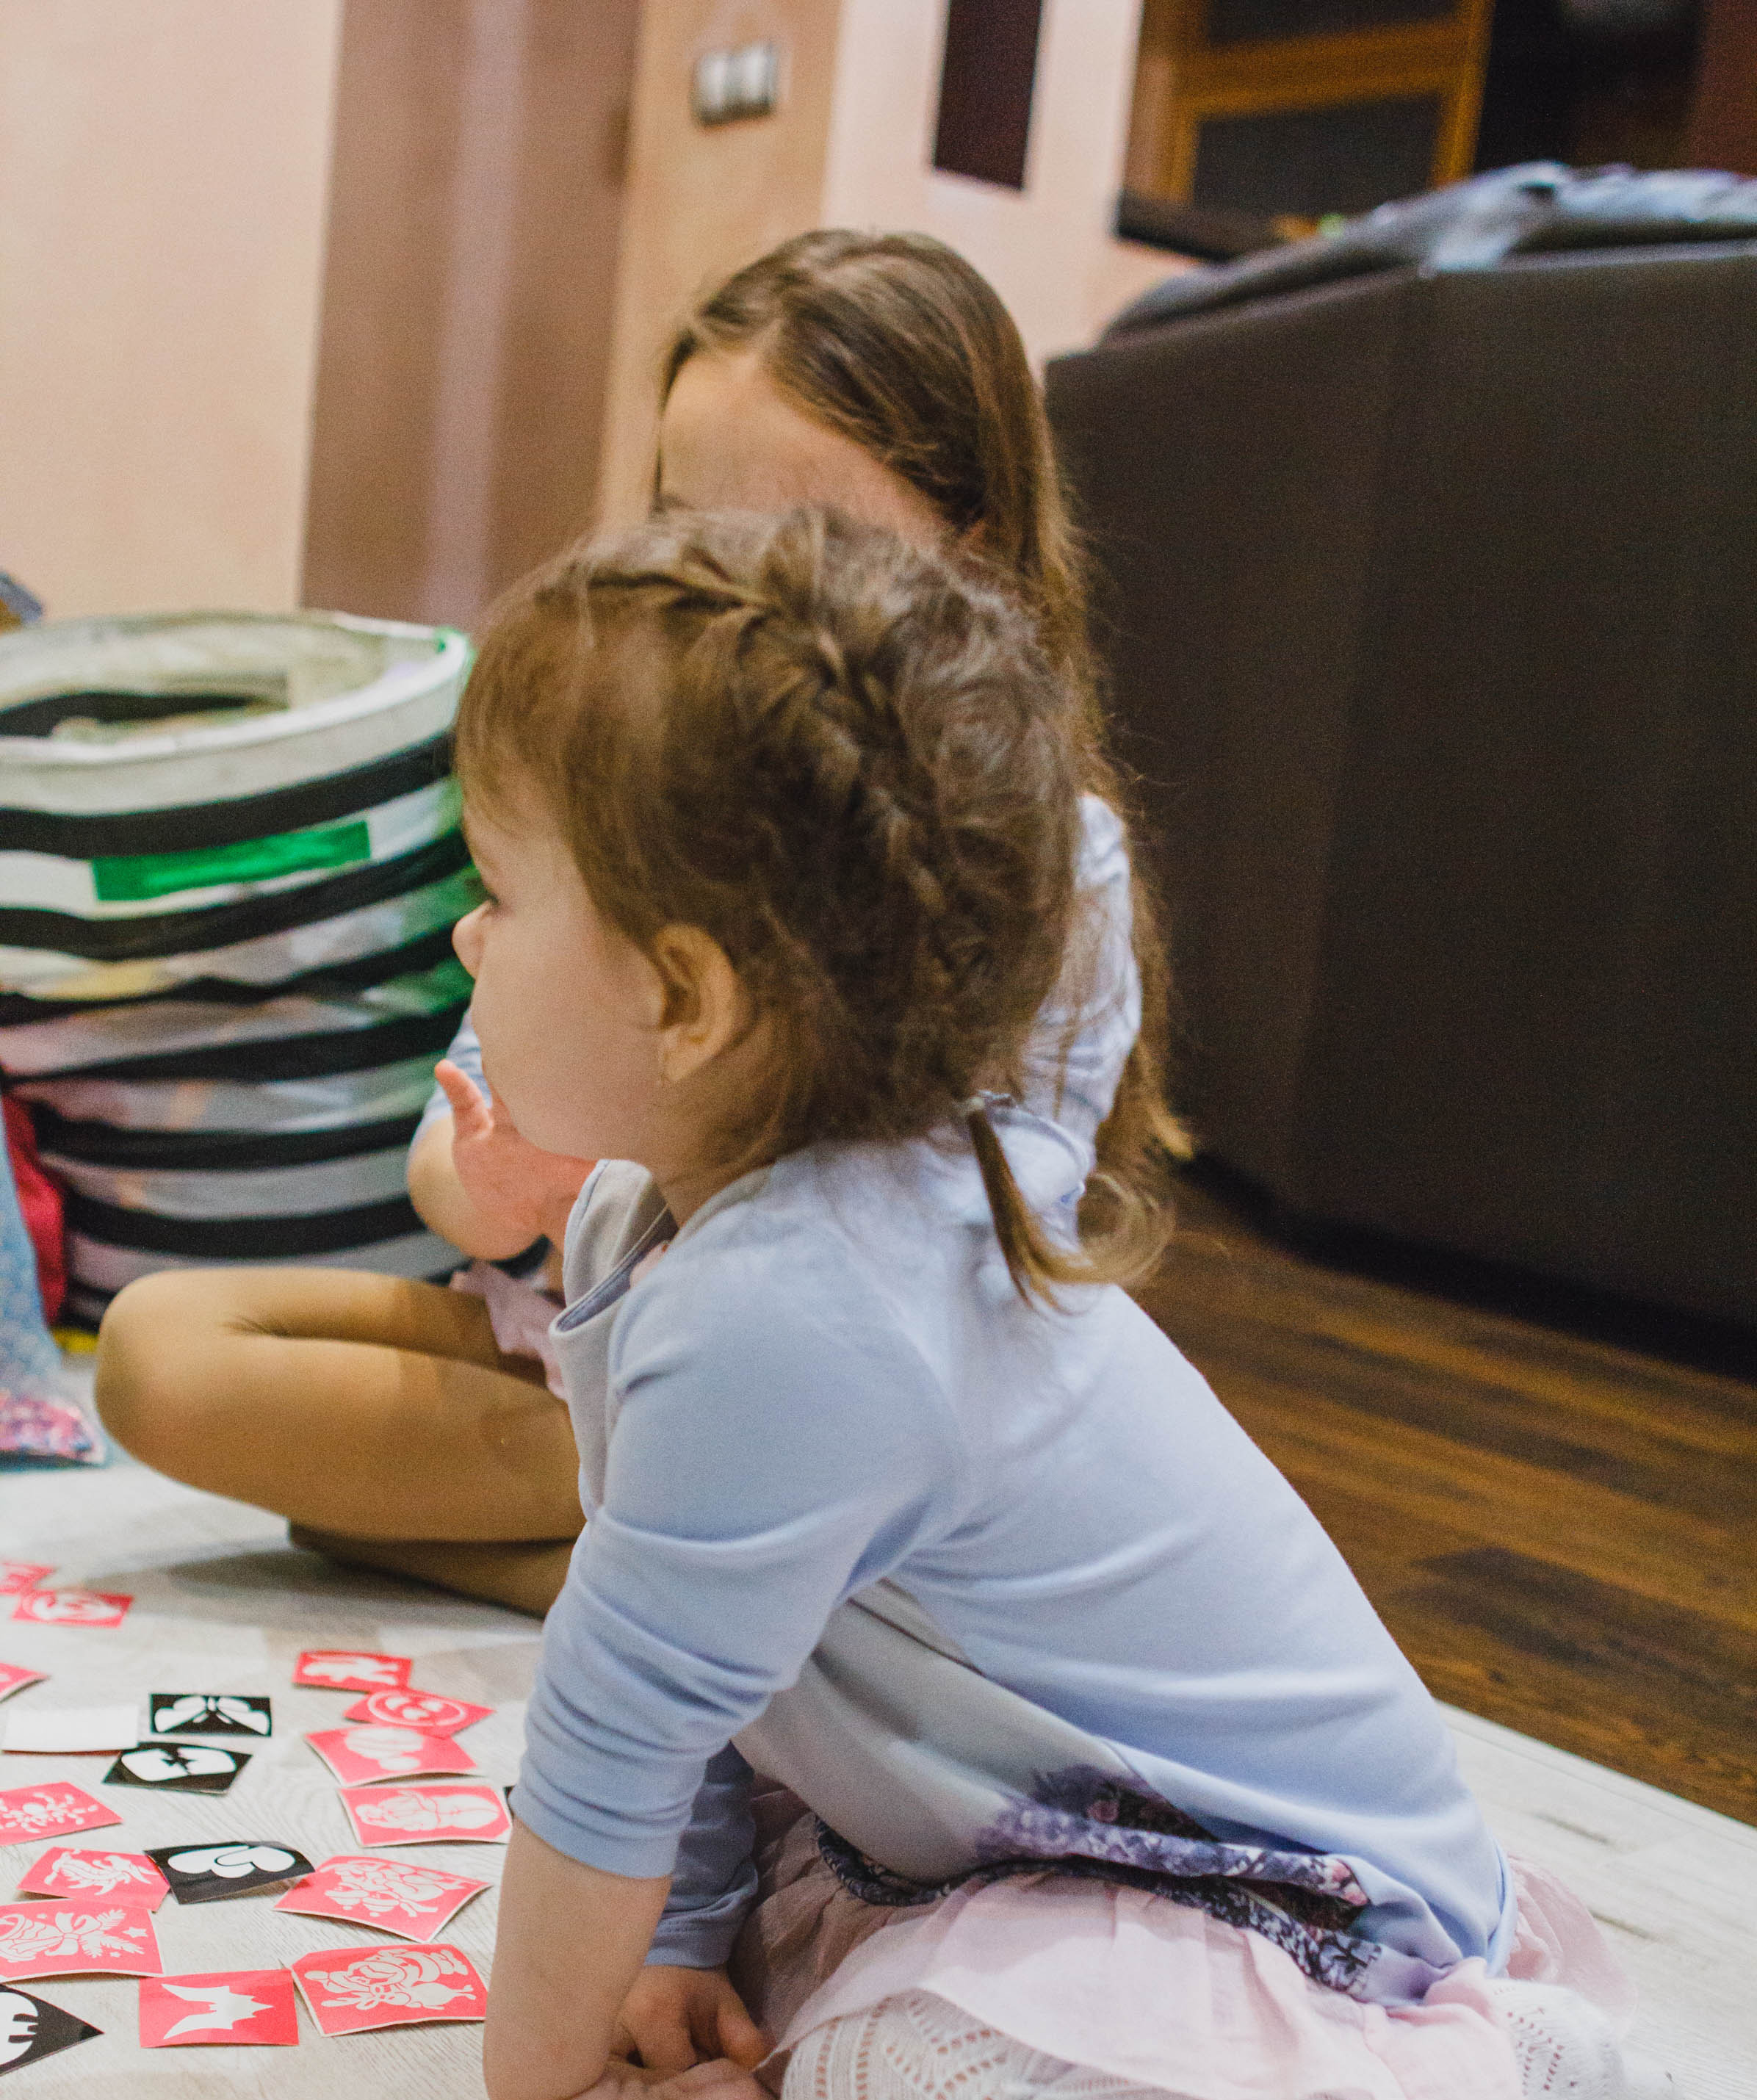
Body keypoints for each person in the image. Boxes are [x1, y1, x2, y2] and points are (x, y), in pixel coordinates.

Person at [468, 503, 1679, 2100]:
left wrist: (541, 2088)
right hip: (1018, 1833)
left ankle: (1545, 2079)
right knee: (715, 1937)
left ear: (690, 1001)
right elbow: (687, 1700)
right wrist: (670, 1937)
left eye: (499, 899)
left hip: (1283, 1901)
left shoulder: (802, 1303)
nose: (466, 952)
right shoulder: (643, 1220)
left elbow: (607, 1738)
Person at [92, 230, 1173, 1617]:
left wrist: (654, 1181)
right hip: (571, 1352)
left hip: (796, 1406)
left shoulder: (1045, 861)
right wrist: (500, 1185)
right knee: (163, 1347)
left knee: (382, 1493)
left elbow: (972, 1254)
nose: (722, 595)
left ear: (972, 547)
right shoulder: (616, 797)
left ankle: (691, 1566)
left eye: (799, 536)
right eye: (686, 525)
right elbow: (462, 1139)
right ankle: (671, 1573)